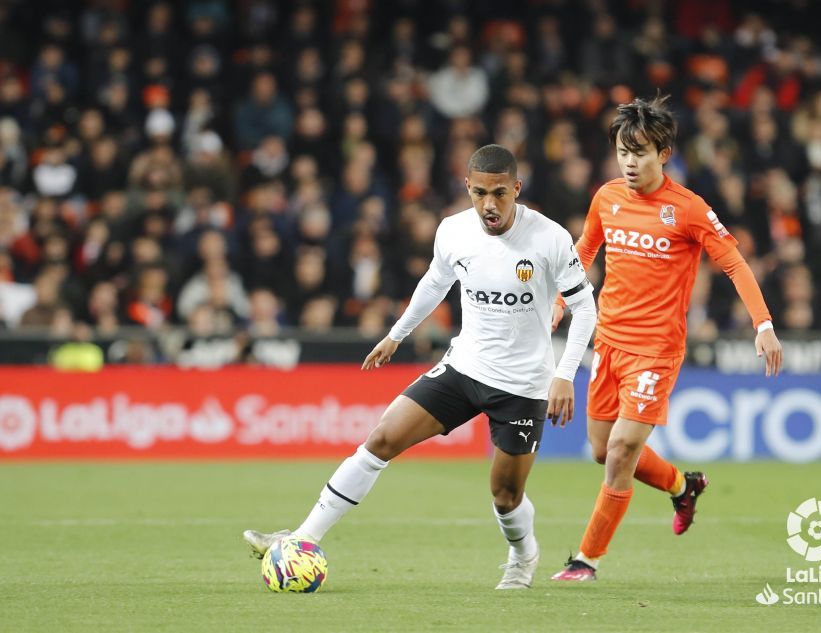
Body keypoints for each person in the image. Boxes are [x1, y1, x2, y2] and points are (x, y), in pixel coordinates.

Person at [243, 144, 597, 589]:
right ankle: (301, 538)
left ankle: (523, 555)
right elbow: (435, 282)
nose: (489, 204)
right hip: (464, 368)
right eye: (480, 193)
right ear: (467, 187)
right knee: (381, 439)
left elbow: (585, 308)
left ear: (517, 189)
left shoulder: (549, 238)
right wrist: (397, 334)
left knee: (506, 496)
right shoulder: (453, 231)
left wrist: (563, 374)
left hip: (523, 385)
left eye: (500, 193)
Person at [549, 96, 783, 582]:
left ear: (664, 153)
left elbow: (734, 263)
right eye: (623, 152)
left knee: (620, 451)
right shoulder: (607, 197)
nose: (630, 163)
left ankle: (586, 560)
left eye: (640, 153)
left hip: (655, 352)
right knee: (601, 449)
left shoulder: (689, 209)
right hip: (608, 342)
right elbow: (585, 250)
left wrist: (763, 325)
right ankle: (683, 486)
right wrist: (559, 302)